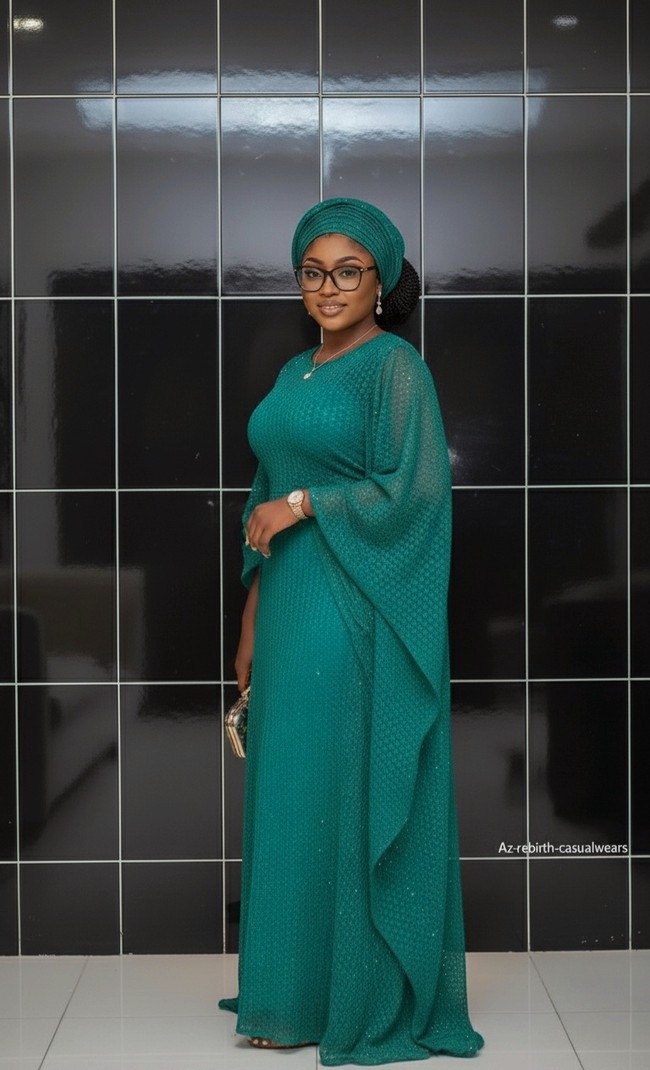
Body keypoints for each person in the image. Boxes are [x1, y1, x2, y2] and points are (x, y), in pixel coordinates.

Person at [219, 197, 484, 1065]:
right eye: (313, 271)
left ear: (381, 281)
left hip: (351, 606)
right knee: (287, 794)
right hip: (288, 607)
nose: (328, 288)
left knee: (329, 790)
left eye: (347, 271)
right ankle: (284, 993)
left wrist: (305, 503)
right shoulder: (294, 370)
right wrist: (251, 619)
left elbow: (415, 493)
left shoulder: (394, 368)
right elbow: (263, 498)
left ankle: (351, 996)